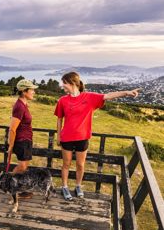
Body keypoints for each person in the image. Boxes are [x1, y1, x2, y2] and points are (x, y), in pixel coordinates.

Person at [54, 71, 140, 200]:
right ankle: (65, 187)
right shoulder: (62, 100)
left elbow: (108, 95)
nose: (62, 85)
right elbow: (59, 119)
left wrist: (126, 92)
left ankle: (78, 186)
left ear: (72, 83)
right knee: (66, 164)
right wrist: (58, 136)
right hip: (66, 138)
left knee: (80, 165)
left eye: (64, 83)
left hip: (82, 138)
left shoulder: (89, 97)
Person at [7, 79, 38, 196]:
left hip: (26, 139)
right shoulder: (19, 106)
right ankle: (9, 183)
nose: (34, 92)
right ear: (24, 92)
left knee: (25, 166)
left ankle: (20, 188)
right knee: (22, 166)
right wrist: (11, 145)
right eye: (32, 90)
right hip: (21, 140)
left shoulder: (23, 104)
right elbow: (12, 128)